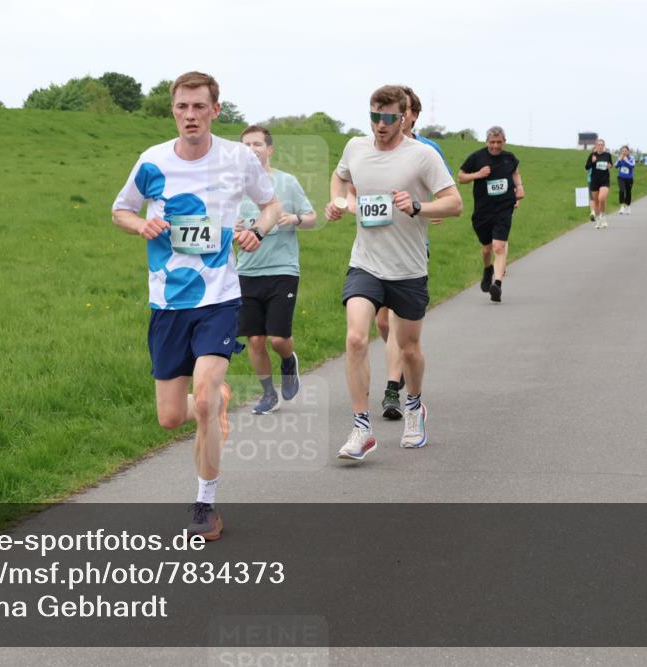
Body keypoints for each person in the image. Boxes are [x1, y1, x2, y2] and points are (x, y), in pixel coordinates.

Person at [112, 72, 279, 540]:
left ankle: (205, 504)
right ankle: (217, 399)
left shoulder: (238, 158)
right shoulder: (152, 161)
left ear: (215, 110)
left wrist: (257, 231)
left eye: (198, 107)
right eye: (182, 107)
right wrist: (137, 226)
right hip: (167, 302)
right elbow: (120, 209)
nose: (190, 115)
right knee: (170, 416)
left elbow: (270, 204)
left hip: (219, 298)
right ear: (173, 110)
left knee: (201, 400)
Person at [326, 84, 462, 460]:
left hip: (407, 268)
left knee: (409, 348)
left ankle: (415, 406)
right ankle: (361, 428)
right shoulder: (356, 147)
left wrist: (418, 206)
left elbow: (454, 205)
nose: (380, 125)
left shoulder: (422, 156)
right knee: (355, 338)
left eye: (388, 118)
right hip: (366, 263)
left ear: (404, 117)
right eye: (374, 117)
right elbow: (340, 178)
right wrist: (341, 201)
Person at [235, 125, 316, 415]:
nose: (252, 149)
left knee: (278, 338)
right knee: (255, 339)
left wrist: (293, 218)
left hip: (283, 270)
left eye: (258, 144)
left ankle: (288, 360)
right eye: (246, 145)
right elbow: (223, 225)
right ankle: (269, 394)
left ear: (269, 150)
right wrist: (231, 230)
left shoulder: (287, 182)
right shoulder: (235, 187)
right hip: (246, 271)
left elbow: (312, 218)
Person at [458, 127, 525, 302]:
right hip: (483, 211)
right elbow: (461, 177)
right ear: (487, 142)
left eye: (499, 142)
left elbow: (515, 173)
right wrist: (478, 174)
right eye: (492, 142)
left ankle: (497, 284)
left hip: (504, 208)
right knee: (487, 249)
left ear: (504, 141)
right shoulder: (477, 157)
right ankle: (488, 269)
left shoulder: (509, 158)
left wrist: (519, 187)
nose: (496, 146)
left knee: (499, 247)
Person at [586, 139, 612, 229]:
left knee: (602, 198)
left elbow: (610, 165)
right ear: (596, 146)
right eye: (599, 144)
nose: (600, 146)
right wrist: (592, 162)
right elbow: (586, 167)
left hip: (604, 180)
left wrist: (610, 166)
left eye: (602, 144)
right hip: (594, 181)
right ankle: (598, 221)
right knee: (596, 201)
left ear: (604, 146)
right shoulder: (592, 155)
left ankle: (603, 216)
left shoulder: (607, 155)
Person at [615, 146, 635, 215]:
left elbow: (632, 166)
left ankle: (628, 207)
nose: (624, 152)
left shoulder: (631, 158)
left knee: (628, 193)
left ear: (628, 152)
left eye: (625, 151)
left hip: (629, 178)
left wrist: (626, 160)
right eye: (623, 151)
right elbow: (616, 166)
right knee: (622, 190)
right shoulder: (620, 157)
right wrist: (619, 160)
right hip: (621, 177)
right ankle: (622, 207)